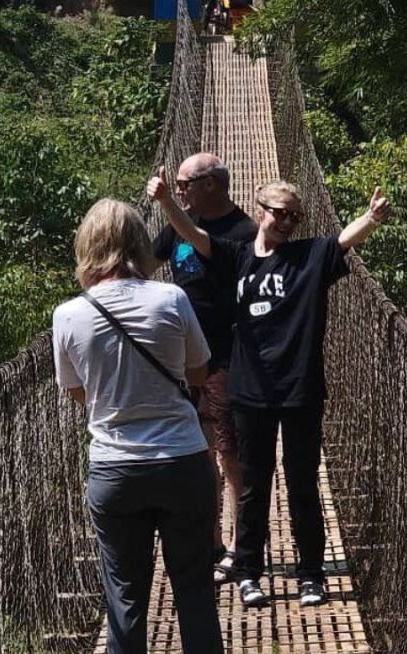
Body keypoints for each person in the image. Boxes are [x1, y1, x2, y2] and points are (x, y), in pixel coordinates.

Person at [147, 173, 390, 609]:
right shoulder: (237, 256)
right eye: (280, 213)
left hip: (299, 389)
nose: (287, 222)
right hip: (249, 390)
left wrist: (370, 219)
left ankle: (311, 574)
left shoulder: (309, 256)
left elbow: (342, 242)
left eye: (294, 216)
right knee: (255, 486)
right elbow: (196, 236)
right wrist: (168, 202)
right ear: (260, 211)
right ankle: (249, 573)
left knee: (301, 484)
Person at [52, 198, 227, 654]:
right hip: (181, 459)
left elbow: (79, 393)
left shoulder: (69, 314)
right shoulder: (171, 297)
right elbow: (198, 370)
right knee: (193, 587)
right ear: (137, 244)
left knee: (124, 594)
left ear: (87, 247)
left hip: (115, 469)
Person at [153, 154, 257, 584]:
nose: (179, 191)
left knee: (231, 453)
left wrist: (167, 205)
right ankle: (210, 541)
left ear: (211, 184)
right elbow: (144, 262)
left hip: (228, 356)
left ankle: (240, 546)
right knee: (200, 452)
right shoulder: (182, 220)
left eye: (184, 184)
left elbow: (201, 244)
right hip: (181, 360)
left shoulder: (244, 232)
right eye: (175, 186)